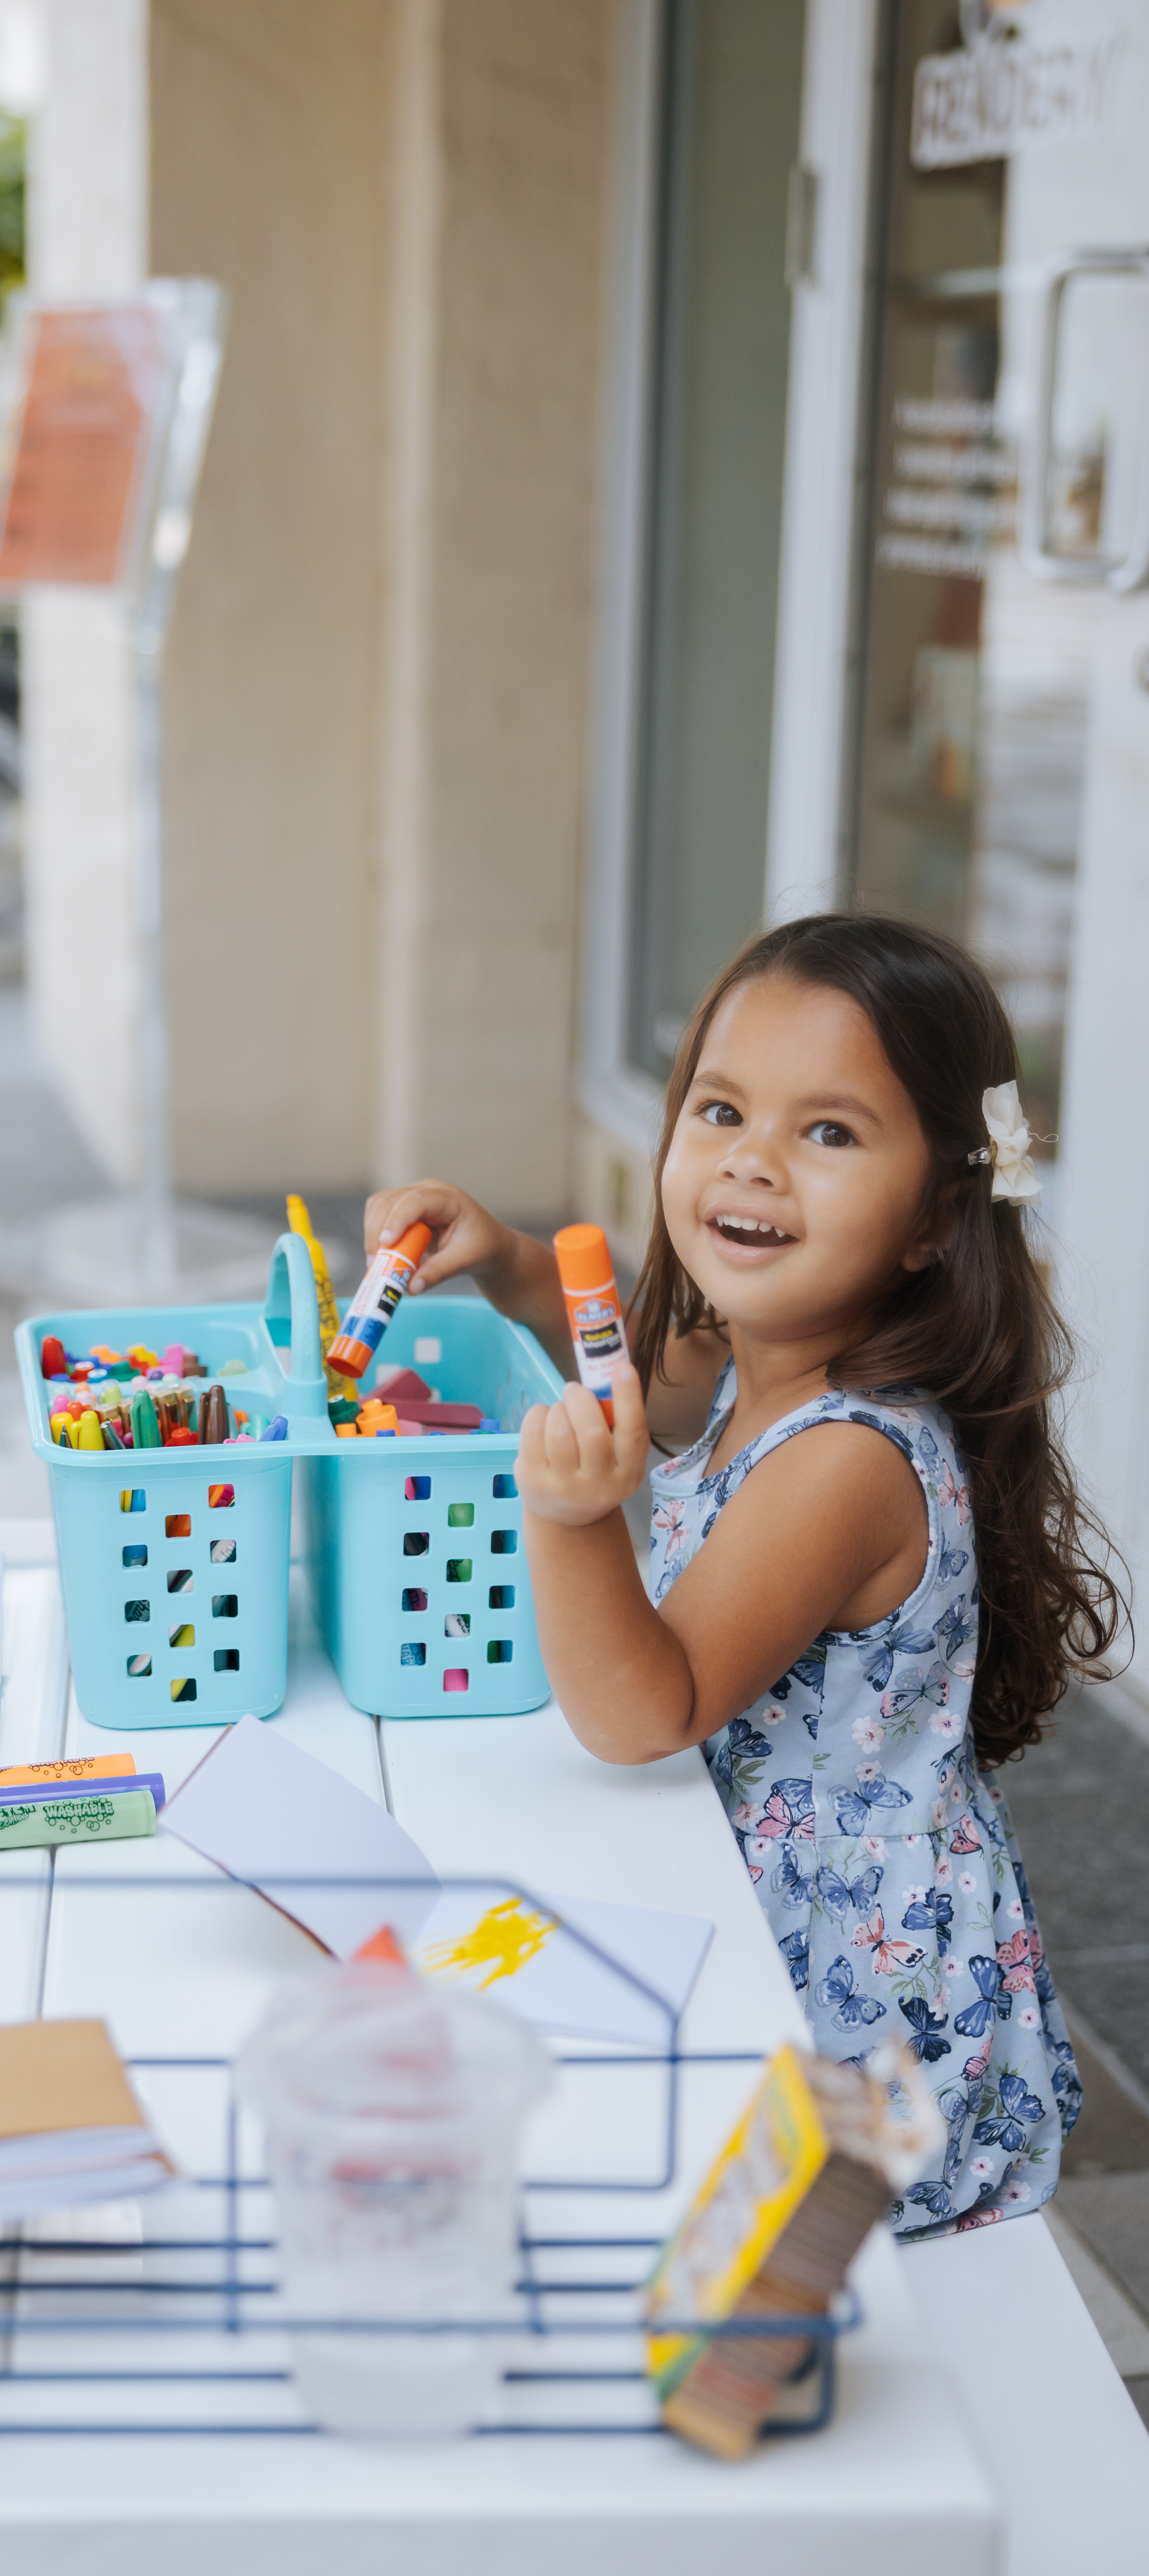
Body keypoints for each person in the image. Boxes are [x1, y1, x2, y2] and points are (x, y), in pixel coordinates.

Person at [365, 913, 1122, 2240]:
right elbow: (650, 1368)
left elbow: (645, 1707)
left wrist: (572, 1518)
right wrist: (515, 1261)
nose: (752, 1163)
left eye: (828, 1133)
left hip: (853, 2018)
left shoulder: (843, 1461)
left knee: (700, 2274)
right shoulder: (760, 1352)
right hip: (754, 1893)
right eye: (720, 1109)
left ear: (938, 1214)